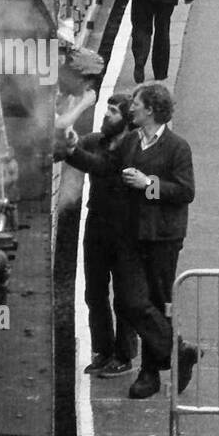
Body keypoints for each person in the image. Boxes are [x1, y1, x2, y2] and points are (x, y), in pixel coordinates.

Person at [63, 84, 200, 400]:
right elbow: (106, 168)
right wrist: (73, 152)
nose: (132, 108)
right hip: (132, 236)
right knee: (129, 301)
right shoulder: (128, 144)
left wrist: (147, 184)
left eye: (136, 103)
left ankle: (149, 373)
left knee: (157, 302)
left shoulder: (178, 147)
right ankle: (179, 351)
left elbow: (185, 192)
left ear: (150, 109)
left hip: (163, 238)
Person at [71, 94, 139, 378]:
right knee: (94, 291)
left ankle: (124, 355)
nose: (106, 115)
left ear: (127, 119)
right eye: (107, 109)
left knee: (124, 295)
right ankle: (103, 349)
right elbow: (76, 151)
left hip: (125, 230)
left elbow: (100, 166)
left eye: (113, 111)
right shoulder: (95, 141)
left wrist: (71, 149)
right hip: (97, 225)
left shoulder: (132, 148)